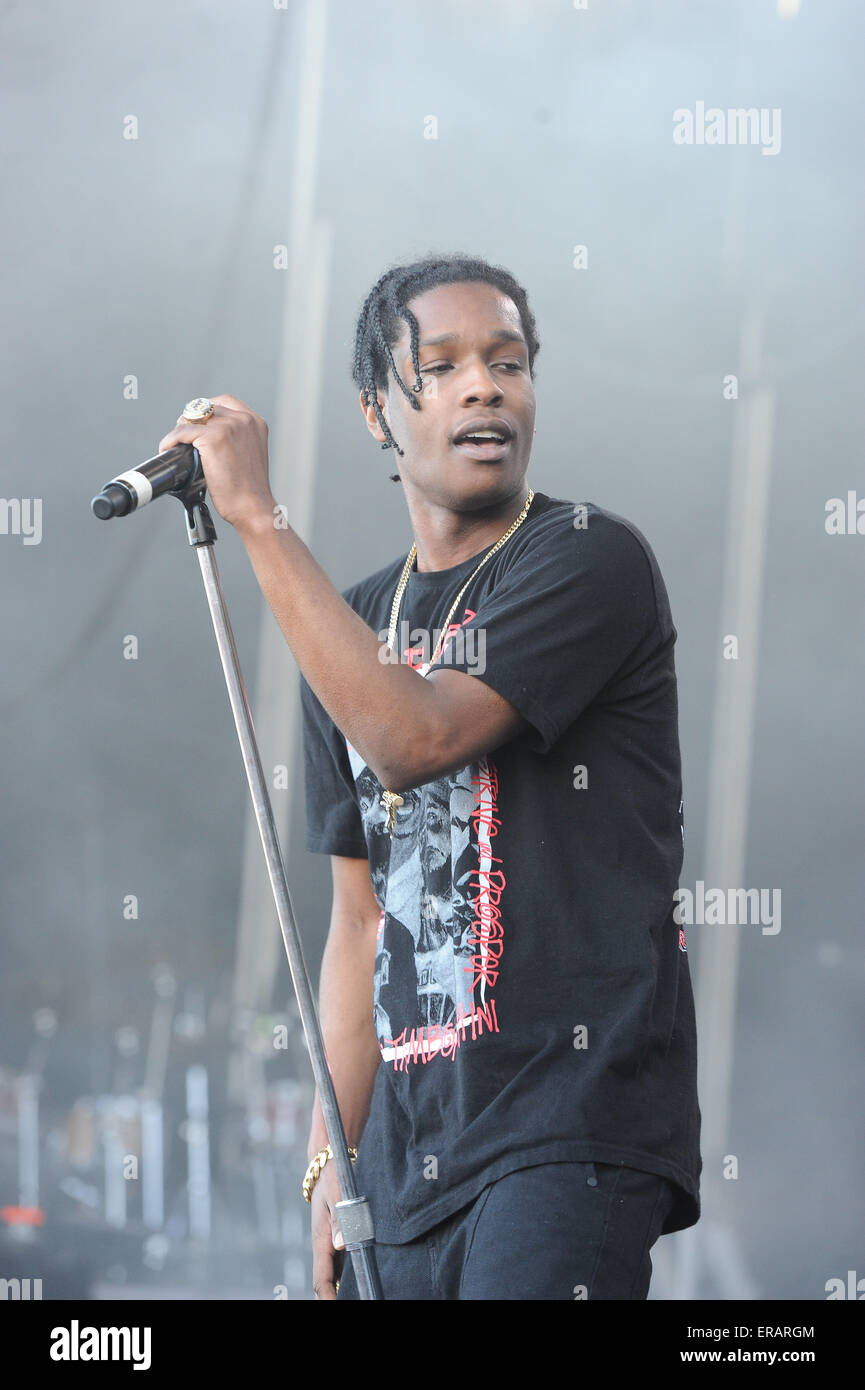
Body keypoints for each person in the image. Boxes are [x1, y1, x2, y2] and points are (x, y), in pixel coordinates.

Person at [157, 252, 701, 1301]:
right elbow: (358, 924)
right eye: (441, 364)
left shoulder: (586, 559)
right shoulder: (352, 623)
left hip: (563, 1126)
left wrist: (260, 519)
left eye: (507, 361)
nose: (484, 385)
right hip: (406, 1163)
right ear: (378, 414)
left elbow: (415, 735)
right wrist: (329, 1161)